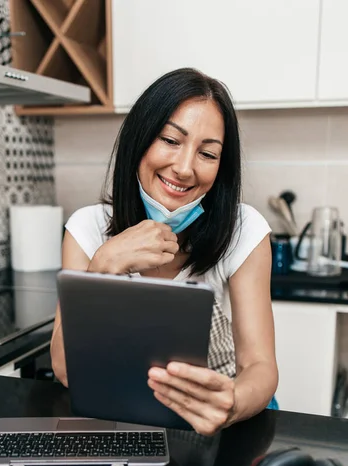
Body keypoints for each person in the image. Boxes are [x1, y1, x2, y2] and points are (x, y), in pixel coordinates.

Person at [50, 67, 278, 436]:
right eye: (170, 140)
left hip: (215, 426)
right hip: (119, 419)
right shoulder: (87, 228)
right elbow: (63, 370)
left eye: (207, 153)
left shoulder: (244, 230)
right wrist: (101, 268)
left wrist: (231, 403)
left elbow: (261, 365)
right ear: (139, 140)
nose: (185, 168)